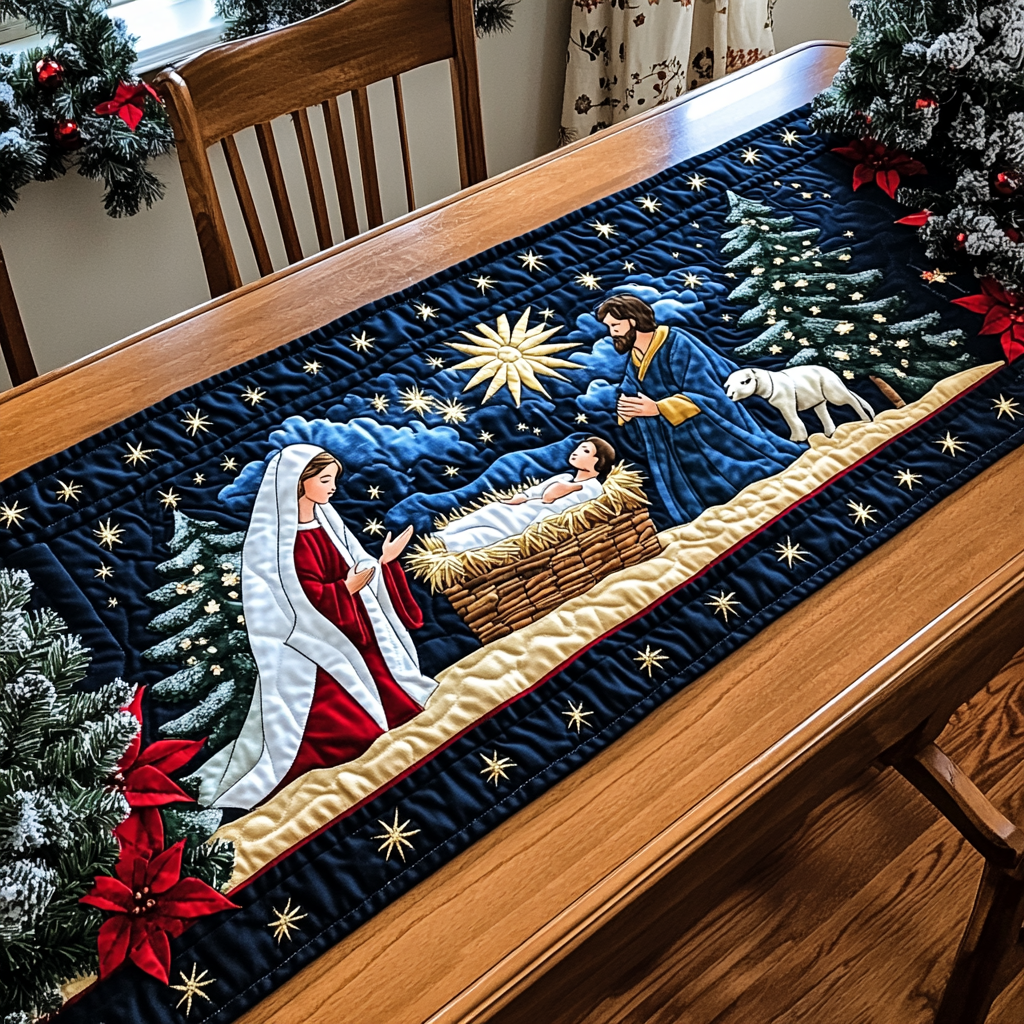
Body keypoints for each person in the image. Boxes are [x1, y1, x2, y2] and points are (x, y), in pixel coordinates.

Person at [194, 443, 436, 810]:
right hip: (315, 643)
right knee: (342, 727)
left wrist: (383, 563)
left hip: (354, 625)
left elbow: (355, 565)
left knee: (391, 696)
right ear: (299, 482)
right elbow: (296, 598)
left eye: (333, 480)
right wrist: (345, 590)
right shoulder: (279, 540)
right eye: (325, 480)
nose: (333, 488)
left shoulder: (328, 524)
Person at [598, 294, 802, 524]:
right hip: (676, 443)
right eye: (609, 327)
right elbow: (629, 391)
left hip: (710, 432)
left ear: (633, 320)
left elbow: (708, 393)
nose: (612, 332)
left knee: (751, 474)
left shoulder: (677, 343)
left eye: (615, 325)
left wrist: (659, 408)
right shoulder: (634, 359)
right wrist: (627, 410)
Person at [438, 437, 615, 553]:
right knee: (492, 510)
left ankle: (451, 544)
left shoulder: (592, 487)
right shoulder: (565, 477)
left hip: (532, 518)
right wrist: (520, 498)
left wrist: (554, 494)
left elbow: (554, 503)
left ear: (598, 461)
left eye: (585, 451)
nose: (576, 452)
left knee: (496, 531)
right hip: (525, 507)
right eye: (578, 448)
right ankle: (443, 535)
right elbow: (536, 491)